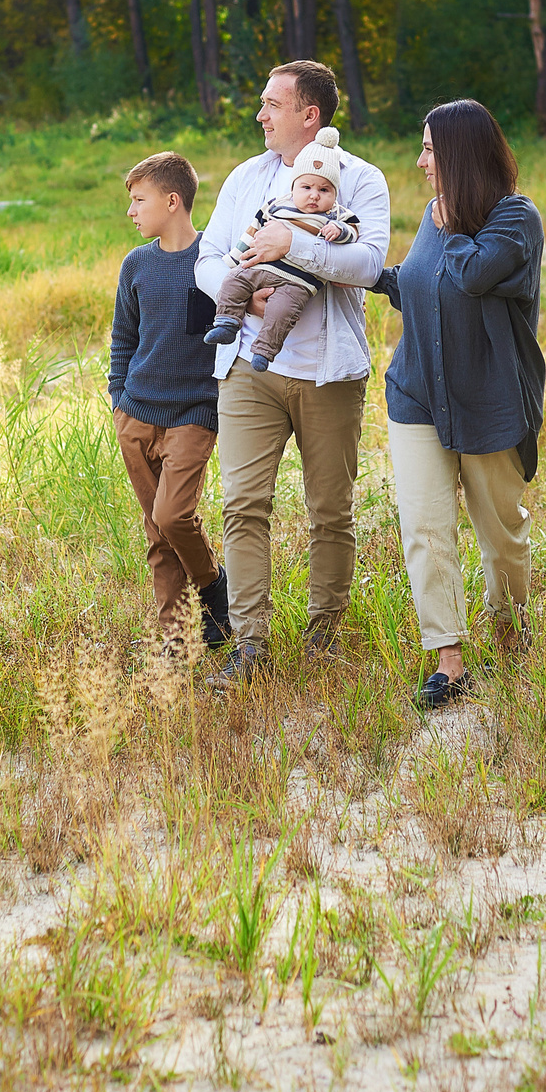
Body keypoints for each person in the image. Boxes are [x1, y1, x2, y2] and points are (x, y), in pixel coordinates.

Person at [192, 61, 391, 685]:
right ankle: (250, 644)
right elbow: (205, 256)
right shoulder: (245, 179)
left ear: (310, 115)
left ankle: (325, 633)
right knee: (243, 506)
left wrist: (293, 248)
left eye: (271, 104)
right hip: (247, 369)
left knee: (330, 509)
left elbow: (369, 263)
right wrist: (238, 290)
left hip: (327, 374)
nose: (260, 114)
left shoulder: (361, 180)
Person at [372, 100, 545, 711]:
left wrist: (451, 227)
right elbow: (417, 284)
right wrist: (350, 262)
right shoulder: (434, 214)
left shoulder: (514, 219)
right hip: (417, 392)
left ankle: (511, 632)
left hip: (489, 399)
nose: (420, 162)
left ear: (461, 157)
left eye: (428, 150)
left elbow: (471, 276)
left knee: (499, 534)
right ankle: (448, 657)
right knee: (423, 527)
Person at [110, 151, 232, 656]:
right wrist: (119, 398)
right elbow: (124, 337)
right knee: (156, 535)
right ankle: (173, 639)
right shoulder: (135, 265)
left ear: (173, 201)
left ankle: (213, 587)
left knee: (173, 516)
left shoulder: (211, 262)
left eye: (140, 201)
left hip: (193, 415)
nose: (132, 211)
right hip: (137, 415)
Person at [204, 128, 365, 372]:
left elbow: (353, 231)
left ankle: (264, 351)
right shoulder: (277, 205)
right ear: (294, 187)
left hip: (297, 283)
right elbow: (252, 230)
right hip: (260, 267)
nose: (314, 195)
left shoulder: (334, 215)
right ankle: (227, 321)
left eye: (324, 190)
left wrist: (339, 232)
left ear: (334, 193)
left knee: (282, 311)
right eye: (306, 187)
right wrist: (233, 259)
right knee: (234, 280)